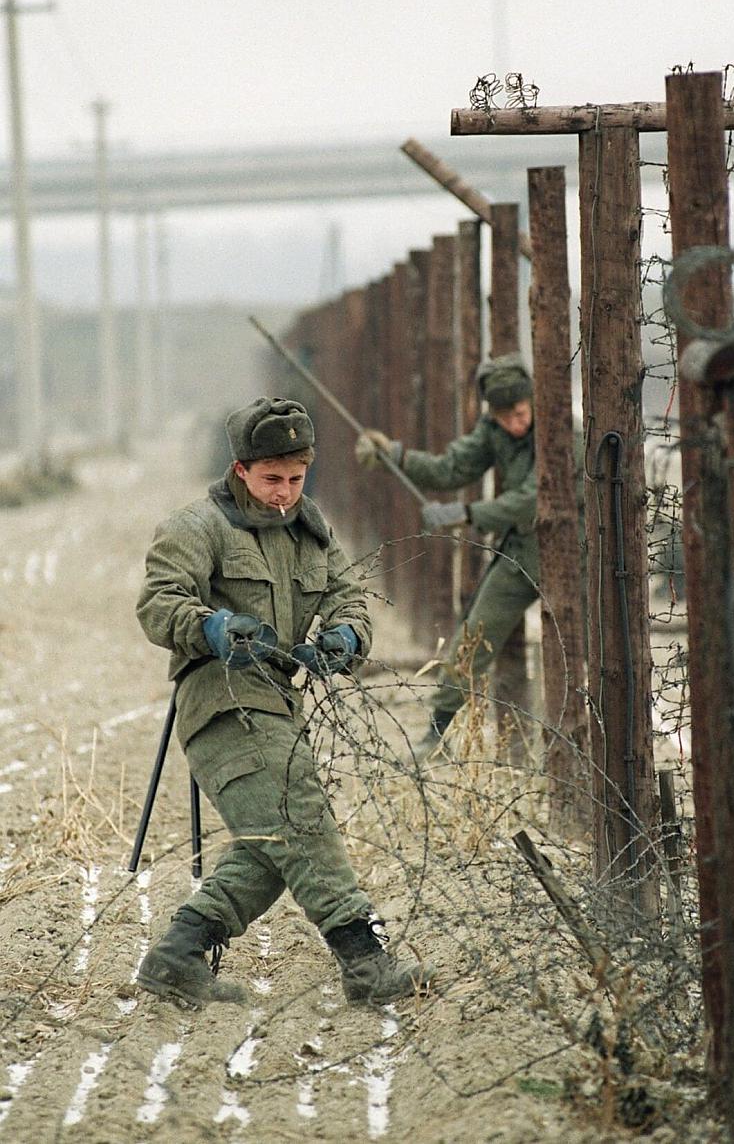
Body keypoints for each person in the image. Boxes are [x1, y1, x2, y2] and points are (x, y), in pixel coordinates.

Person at [135, 396, 433, 1008]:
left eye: (297, 479)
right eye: (272, 479)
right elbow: (158, 604)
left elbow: (350, 597)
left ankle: (177, 957)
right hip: (218, 700)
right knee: (298, 817)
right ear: (241, 469)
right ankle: (364, 960)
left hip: (278, 702)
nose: (285, 494)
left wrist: (346, 637)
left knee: (273, 843)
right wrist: (213, 626)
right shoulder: (195, 526)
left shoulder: (311, 531)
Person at [355, 352, 538, 756]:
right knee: (472, 637)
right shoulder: (495, 429)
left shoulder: (560, 429)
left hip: (576, 551)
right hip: (524, 552)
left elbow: (532, 500)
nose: (514, 424)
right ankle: (437, 735)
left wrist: (467, 514)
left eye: (521, 414)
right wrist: (396, 456)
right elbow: (451, 469)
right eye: (505, 417)